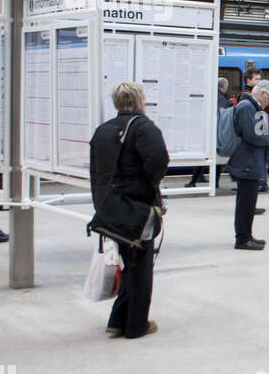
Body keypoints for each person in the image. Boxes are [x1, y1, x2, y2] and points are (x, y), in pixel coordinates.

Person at [90, 82, 170, 339]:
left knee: (128, 264)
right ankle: (136, 324)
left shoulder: (103, 130)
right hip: (136, 208)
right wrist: (151, 185)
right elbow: (159, 162)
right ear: (139, 101)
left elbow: (95, 172)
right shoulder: (144, 127)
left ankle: (117, 319)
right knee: (141, 265)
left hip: (110, 208)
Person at [230, 79, 269, 250]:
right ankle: (242, 238)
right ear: (262, 94)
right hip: (246, 162)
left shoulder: (249, 106)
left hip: (249, 161)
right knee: (245, 203)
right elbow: (251, 136)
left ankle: (247, 235)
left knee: (248, 203)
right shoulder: (247, 107)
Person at [187, 77, 233, 188]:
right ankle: (214, 182)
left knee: (203, 157)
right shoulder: (222, 98)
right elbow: (221, 115)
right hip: (215, 132)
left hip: (206, 130)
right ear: (224, 87)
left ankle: (194, 181)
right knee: (217, 157)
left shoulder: (211, 95)